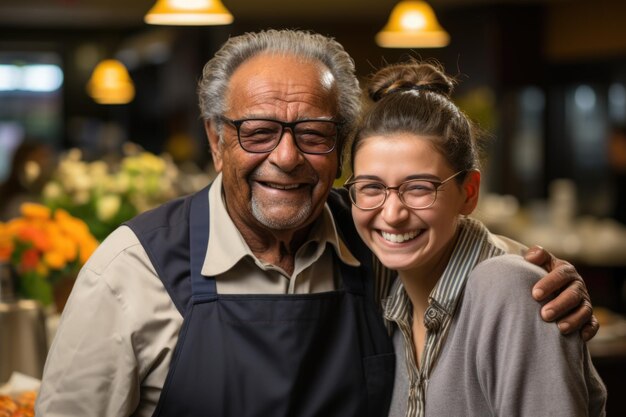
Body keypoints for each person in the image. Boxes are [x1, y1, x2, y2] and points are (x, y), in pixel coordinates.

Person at [36, 29, 597, 417]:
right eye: (257, 131)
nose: (285, 158)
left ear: (338, 148)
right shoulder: (130, 270)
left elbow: (454, 245)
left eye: (313, 133)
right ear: (216, 140)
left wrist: (544, 282)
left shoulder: (369, 240)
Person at [344, 59, 606, 416]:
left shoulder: (507, 288)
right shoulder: (388, 296)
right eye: (371, 187)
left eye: (420, 187)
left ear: (469, 192)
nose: (392, 214)